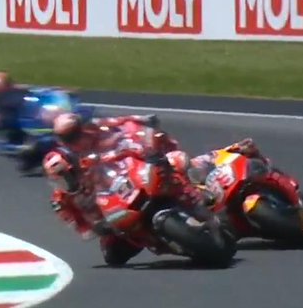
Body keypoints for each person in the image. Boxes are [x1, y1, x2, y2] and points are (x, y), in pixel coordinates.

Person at [43, 112, 210, 266]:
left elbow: (123, 126)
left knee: (175, 160)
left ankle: (197, 194)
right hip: (110, 218)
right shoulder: (60, 201)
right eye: (58, 180)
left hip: (124, 187)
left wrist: (141, 127)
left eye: (67, 176)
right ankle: (160, 241)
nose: (65, 183)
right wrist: (96, 228)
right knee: (113, 256)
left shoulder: (96, 138)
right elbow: (81, 229)